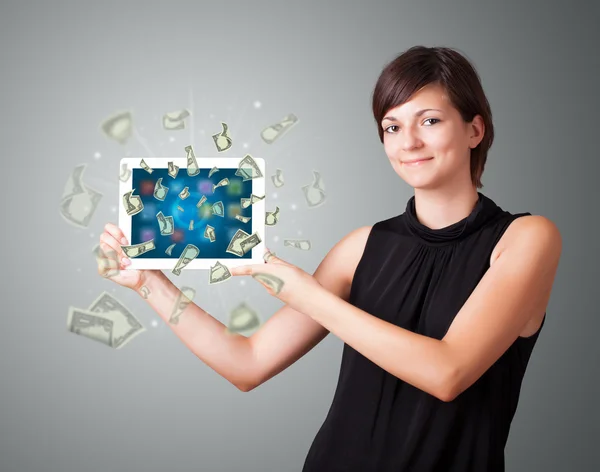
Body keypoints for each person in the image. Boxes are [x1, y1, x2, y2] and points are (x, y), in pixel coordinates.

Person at [97, 45, 562, 471]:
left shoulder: (525, 238)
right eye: (392, 127)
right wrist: (148, 283)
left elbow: (448, 372)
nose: (408, 143)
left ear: (474, 129)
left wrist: (306, 293)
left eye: (430, 121)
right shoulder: (361, 247)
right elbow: (248, 363)